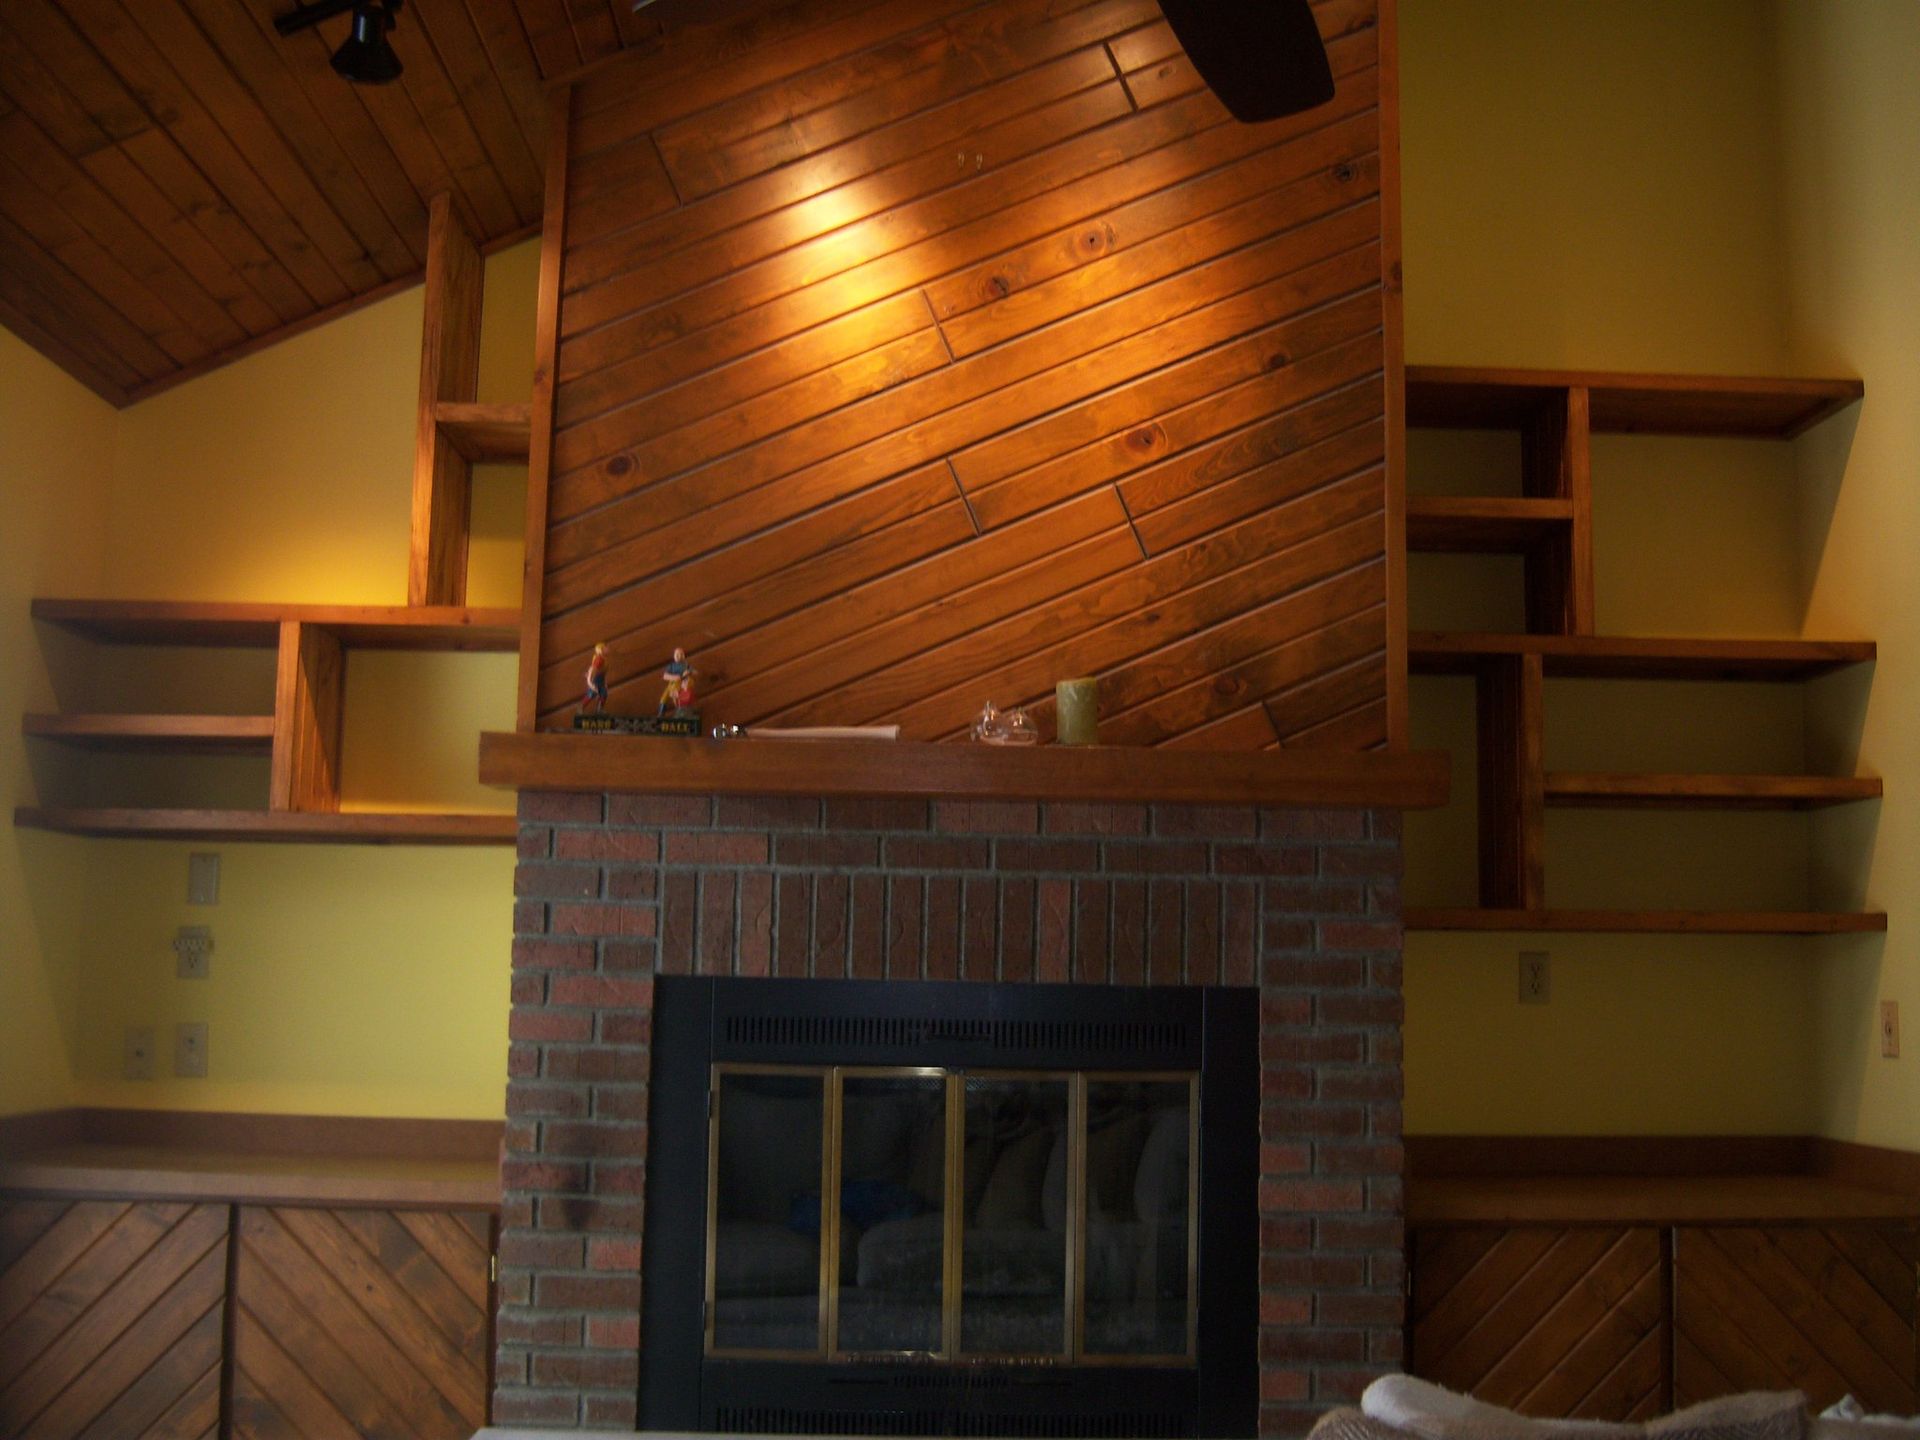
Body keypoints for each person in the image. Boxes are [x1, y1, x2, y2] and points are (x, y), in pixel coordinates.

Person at [658, 648, 695, 716]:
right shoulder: (671, 666)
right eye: (677, 654)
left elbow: (694, 671)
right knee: (664, 698)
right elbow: (665, 676)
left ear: (683, 656)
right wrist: (675, 677)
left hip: (682, 684)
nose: (679, 656)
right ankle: (661, 713)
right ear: (674, 656)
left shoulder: (686, 665)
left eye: (681, 654)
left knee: (680, 698)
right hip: (672, 683)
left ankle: (681, 711)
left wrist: (688, 672)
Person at [581, 644, 609, 714]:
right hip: (595, 679)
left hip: (601, 679)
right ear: (601, 650)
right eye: (605, 648)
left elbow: (603, 672)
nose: (607, 649)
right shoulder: (599, 659)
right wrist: (590, 682)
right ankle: (580, 708)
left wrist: (605, 682)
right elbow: (592, 669)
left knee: (603, 694)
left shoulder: (604, 659)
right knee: (591, 694)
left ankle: (599, 709)